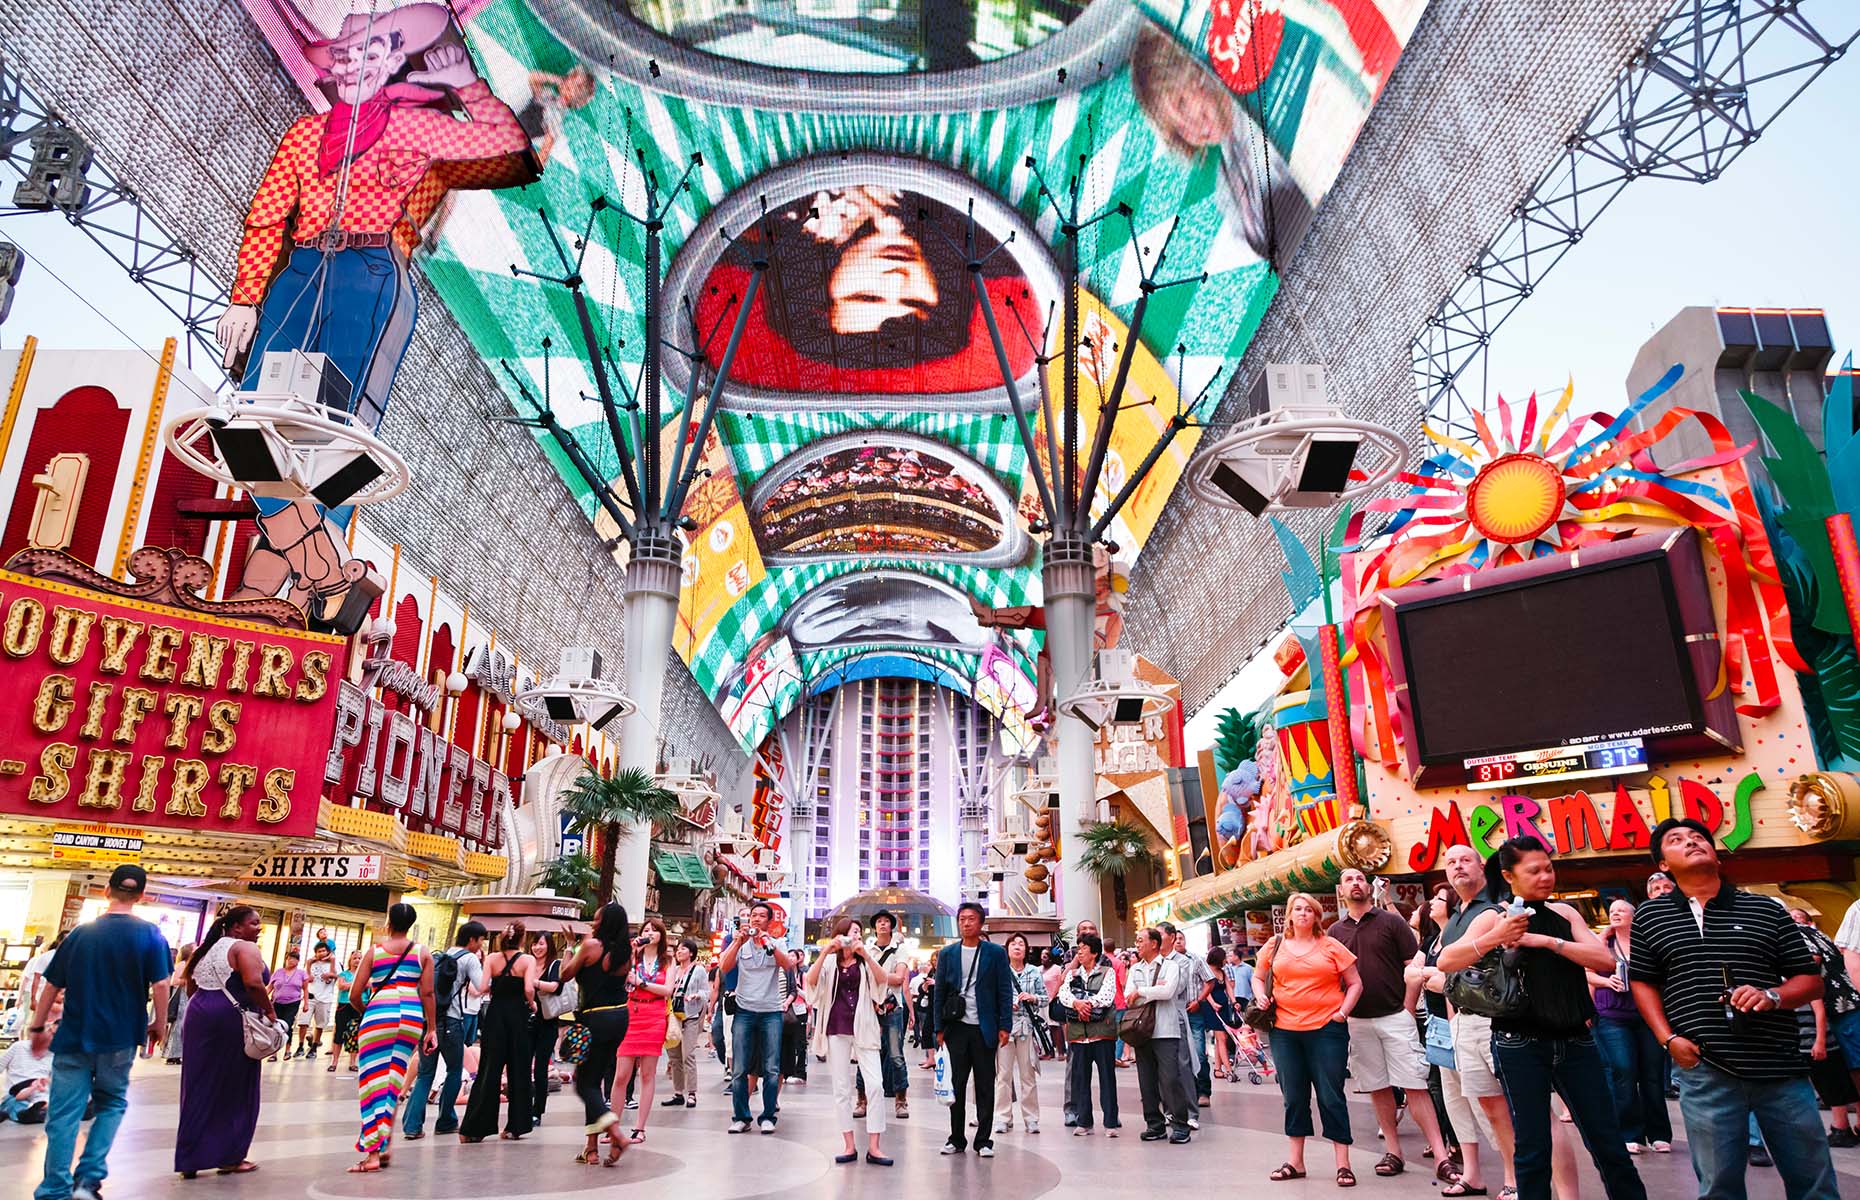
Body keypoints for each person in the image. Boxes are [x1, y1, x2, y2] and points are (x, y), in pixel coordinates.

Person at [1629, 817, 1835, 1200]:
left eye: (1698, 837)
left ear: (1717, 857)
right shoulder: (1651, 917)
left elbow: (1810, 980)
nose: (1692, 842)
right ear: (1663, 865)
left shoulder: (1766, 910)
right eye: (1677, 840)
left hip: (1779, 1068)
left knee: (1814, 1183)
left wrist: (1772, 995)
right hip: (1704, 1068)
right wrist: (1666, 1037)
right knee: (1719, 1187)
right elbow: (1642, 981)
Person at [1440, 836, 1645, 1200]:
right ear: (1509, 875)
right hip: (1518, 1043)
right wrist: (1496, 937)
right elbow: (1446, 961)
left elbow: (1606, 961)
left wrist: (1550, 943)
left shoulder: (1565, 913)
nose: (1545, 877)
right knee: (1532, 1149)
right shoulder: (1493, 914)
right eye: (1533, 871)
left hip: (1576, 1040)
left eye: (1548, 868)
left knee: (1607, 1143)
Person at [29, 865, 172, 1200]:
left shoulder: (81, 933)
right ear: (142, 897)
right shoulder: (151, 935)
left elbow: (52, 984)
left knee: (64, 1113)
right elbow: (162, 983)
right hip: (120, 1037)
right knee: (111, 1103)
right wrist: (158, 1023)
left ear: (106, 892)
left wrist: (37, 1027)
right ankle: (88, 1181)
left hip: (74, 1035)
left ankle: (54, 1189)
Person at [1330, 867, 1455, 1179]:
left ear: (1367, 887)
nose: (1356, 883)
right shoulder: (1335, 932)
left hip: (1395, 1016)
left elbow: (1414, 967)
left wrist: (1407, 1008)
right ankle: (1394, 1152)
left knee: (1415, 1084)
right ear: (1341, 890)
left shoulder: (1392, 922)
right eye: (1349, 879)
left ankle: (1441, 1155)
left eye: (1360, 878)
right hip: (1359, 1022)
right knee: (1378, 1087)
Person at [1435, 843, 1523, 1200]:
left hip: (1494, 1020)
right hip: (1463, 1020)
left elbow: (1448, 962)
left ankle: (1519, 1178)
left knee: (1508, 1105)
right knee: (1487, 1105)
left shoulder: (1489, 911)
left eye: (1465, 860)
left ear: (1482, 866)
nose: (1458, 866)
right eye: (1451, 862)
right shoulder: (1456, 915)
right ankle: (1508, 1176)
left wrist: (1431, 969)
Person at [1256, 891, 1362, 1186]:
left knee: (1331, 1095)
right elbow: (1258, 976)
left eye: (1309, 910)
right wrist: (1260, 995)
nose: (1303, 913)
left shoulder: (1331, 946)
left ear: (1317, 916)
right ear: (1289, 915)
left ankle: (1343, 1164)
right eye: (1298, 909)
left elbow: (1355, 983)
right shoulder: (1274, 944)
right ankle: (1296, 1161)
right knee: (1293, 1096)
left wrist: (1341, 1014)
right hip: (1284, 1031)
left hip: (1327, 1030)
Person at [174, 906, 274, 1178]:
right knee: (237, 1087)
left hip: (199, 1014)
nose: (259, 928)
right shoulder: (245, 948)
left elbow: (191, 987)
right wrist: (270, 1012)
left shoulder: (205, 949)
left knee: (198, 1085)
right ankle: (231, 1157)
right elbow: (254, 984)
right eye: (254, 923)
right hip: (231, 1018)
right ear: (237, 927)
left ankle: (190, 1159)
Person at [349, 903, 436, 1174]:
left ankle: (373, 1153)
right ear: (411, 924)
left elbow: (354, 993)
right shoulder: (423, 953)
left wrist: (369, 1013)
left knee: (372, 1084)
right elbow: (428, 994)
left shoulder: (375, 952)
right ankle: (384, 1147)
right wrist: (431, 1029)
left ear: (389, 922)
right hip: (411, 1017)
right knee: (393, 1083)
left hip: (379, 1014)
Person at [1586, 899, 1674, 1155]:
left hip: (1648, 1014)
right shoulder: (1603, 943)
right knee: (1623, 1071)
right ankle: (1629, 1132)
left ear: (1633, 916)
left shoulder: (1647, 942)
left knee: (1653, 1074)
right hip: (1612, 1014)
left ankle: (1659, 1133)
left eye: (1621, 911)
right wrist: (1605, 983)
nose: (1615, 914)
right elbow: (1586, 973)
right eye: (1612, 911)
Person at [804, 917, 892, 1165]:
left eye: (859, 934)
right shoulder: (830, 961)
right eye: (853, 932)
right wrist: (825, 951)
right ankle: (849, 1144)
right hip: (836, 1027)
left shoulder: (865, 961)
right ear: (840, 935)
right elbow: (811, 982)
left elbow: (882, 981)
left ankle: (874, 1146)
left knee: (875, 1085)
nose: (857, 937)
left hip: (864, 1027)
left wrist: (866, 954)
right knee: (841, 1089)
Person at [933, 901, 1013, 1157]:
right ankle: (956, 1138)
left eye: (971, 919)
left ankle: (984, 1141)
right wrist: (938, 1028)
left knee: (985, 1085)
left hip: (984, 1028)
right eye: (962, 919)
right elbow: (940, 993)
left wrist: (1005, 1026)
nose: (966, 923)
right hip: (956, 1028)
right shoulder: (947, 954)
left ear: (980, 923)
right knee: (956, 1085)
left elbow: (1004, 990)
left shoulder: (995, 953)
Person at [559, 902, 632, 1166]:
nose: (593, 922)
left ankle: (615, 1133)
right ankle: (591, 1148)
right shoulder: (625, 952)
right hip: (620, 1017)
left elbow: (564, 974)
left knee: (584, 1084)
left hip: (595, 1018)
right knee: (594, 1080)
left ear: (605, 922)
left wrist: (569, 947)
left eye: (597, 918)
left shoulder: (591, 946)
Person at [718, 900, 797, 1134]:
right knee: (740, 1068)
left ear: (770, 922)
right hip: (744, 1010)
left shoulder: (777, 942)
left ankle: (768, 1116)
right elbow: (724, 966)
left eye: (762, 916)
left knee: (771, 1068)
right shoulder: (739, 942)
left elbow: (787, 966)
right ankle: (741, 1116)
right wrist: (737, 942)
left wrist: (768, 943)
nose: (756, 919)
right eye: (753, 915)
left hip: (771, 1012)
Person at [401, 921, 486, 1139]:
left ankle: (412, 1126)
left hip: (428, 1022)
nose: (481, 945)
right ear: (472, 940)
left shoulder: (438, 956)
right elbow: (483, 985)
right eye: (481, 940)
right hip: (451, 1023)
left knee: (425, 1073)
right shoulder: (469, 959)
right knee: (454, 1070)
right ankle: (446, 1120)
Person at [460, 921, 537, 1143]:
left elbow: (482, 987)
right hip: (517, 1017)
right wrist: (532, 1005)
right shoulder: (527, 960)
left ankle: (475, 1128)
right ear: (522, 939)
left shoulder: (492, 958)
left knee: (488, 1070)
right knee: (518, 1069)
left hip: (495, 1016)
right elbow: (529, 989)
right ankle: (516, 1126)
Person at [1127, 926, 1193, 1144]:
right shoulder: (1135, 969)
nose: (1137, 944)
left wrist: (1142, 991)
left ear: (1153, 943)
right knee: (1146, 1081)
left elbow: (1168, 992)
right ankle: (1154, 1125)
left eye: (1140, 940)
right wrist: (1151, 991)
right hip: (1141, 1031)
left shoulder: (1171, 965)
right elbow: (1128, 997)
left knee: (1170, 1079)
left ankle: (1180, 1126)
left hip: (1166, 1031)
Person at [610, 918, 672, 1143]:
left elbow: (667, 990)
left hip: (654, 1016)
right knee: (621, 1075)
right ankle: (613, 1126)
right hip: (630, 1015)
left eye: (655, 931)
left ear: (662, 936)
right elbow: (617, 976)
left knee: (647, 1074)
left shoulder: (668, 960)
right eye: (647, 930)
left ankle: (640, 1128)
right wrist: (630, 952)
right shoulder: (633, 956)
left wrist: (642, 983)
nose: (650, 933)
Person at [1064, 918, 1127, 1126]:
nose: (1080, 951)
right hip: (1079, 1033)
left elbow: (1108, 995)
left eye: (1084, 948)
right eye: (1079, 947)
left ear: (1094, 951)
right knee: (1080, 1077)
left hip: (1103, 1029)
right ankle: (1082, 1119)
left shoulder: (1108, 968)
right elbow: (1063, 994)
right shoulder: (1071, 971)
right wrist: (1076, 1004)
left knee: (1107, 1077)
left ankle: (1110, 1119)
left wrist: (1085, 1005)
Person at [854, 909, 913, 1121]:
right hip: (868, 1007)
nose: (882, 924)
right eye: (878, 921)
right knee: (865, 1052)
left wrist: (876, 977)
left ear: (891, 926)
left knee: (896, 1055)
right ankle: (862, 1100)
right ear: (874, 926)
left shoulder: (900, 950)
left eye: (886, 921)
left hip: (892, 1007)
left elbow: (899, 979)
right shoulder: (867, 949)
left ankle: (900, 1101)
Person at [994, 931, 1047, 1134]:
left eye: (1021, 944)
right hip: (1005, 1029)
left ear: (1026, 950)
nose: (1017, 947)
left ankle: (1031, 1118)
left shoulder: (1034, 972)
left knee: (1028, 1075)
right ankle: (1002, 1117)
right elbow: (992, 998)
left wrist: (1032, 998)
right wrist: (1006, 1004)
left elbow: (1045, 998)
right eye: (1013, 944)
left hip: (1027, 1027)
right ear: (1007, 949)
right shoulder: (1000, 971)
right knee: (1003, 1075)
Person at [665, 937, 710, 1109]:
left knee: (688, 1055)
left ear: (691, 953)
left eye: (683, 949)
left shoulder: (698, 970)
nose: (679, 952)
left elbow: (706, 991)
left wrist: (696, 996)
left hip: (690, 1016)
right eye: (678, 949)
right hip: (672, 1017)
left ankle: (692, 1093)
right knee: (674, 1057)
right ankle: (678, 1092)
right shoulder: (673, 970)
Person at [528, 933, 565, 1124]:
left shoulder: (554, 965)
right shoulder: (527, 963)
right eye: (534, 944)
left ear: (549, 946)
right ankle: (524, 1106)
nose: (537, 948)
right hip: (526, 1020)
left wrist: (533, 982)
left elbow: (555, 987)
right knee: (523, 1065)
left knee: (541, 1067)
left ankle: (537, 1111)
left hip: (547, 1020)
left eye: (541, 944)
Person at [2, 1009, 53, 1123]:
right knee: (17, 1104)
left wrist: (44, 1082)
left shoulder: (53, 1055)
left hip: (39, 1095)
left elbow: (54, 1080)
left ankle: (37, 1113)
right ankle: (28, 1114)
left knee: (46, 1104)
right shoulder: (18, 1047)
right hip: (16, 1094)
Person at [1204, 946, 1241, 1083]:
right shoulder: (1207, 971)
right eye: (1224, 957)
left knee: (1221, 1038)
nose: (1226, 960)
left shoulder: (1222, 972)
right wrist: (1213, 1003)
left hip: (1223, 1006)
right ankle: (1229, 1069)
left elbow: (1229, 988)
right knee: (1222, 1038)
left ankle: (1218, 1069)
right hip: (1212, 1007)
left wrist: (1234, 1001)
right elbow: (1205, 990)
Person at [268, 950, 307, 1062]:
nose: (291, 961)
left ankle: (287, 1050)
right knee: (275, 1026)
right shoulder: (278, 972)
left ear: (298, 961)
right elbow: (270, 987)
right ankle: (274, 1053)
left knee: (286, 1025)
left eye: (294, 959)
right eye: (289, 958)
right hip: (277, 1002)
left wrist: (306, 1004)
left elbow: (305, 989)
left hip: (292, 1002)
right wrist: (263, 999)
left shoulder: (301, 973)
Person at [302, 942, 339, 1060]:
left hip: (325, 998)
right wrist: (308, 963)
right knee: (303, 1021)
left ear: (328, 952)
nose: (321, 953)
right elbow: (306, 978)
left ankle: (314, 1046)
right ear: (315, 953)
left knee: (320, 1024)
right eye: (319, 951)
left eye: (324, 951)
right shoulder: (312, 963)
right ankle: (300, 1046)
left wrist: (332, 966)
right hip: (311, 996)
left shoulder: (335, 963)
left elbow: (338, 976)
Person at [329, 951, 362, 1074]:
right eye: (355, 958)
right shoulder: (344, 974)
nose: (357, 960)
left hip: (359, 1005)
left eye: (359, 958)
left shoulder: (365, 975)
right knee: (339, 1033)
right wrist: (359, 985)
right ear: (350, 960)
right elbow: (341, 986)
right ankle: (334, 1061)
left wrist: (355, 985)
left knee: (355, 1034)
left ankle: (353, 1062)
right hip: (344, 1005)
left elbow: (369, 985)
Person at [161, 944, 194, 1065]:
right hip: (181, 998)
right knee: (178, 1025)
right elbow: (174, 981)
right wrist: (189, 979)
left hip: (186, 997)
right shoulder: (182, 964)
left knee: (183, 1025)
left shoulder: (190, 964)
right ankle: (172, 1054)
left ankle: (178, 1053)